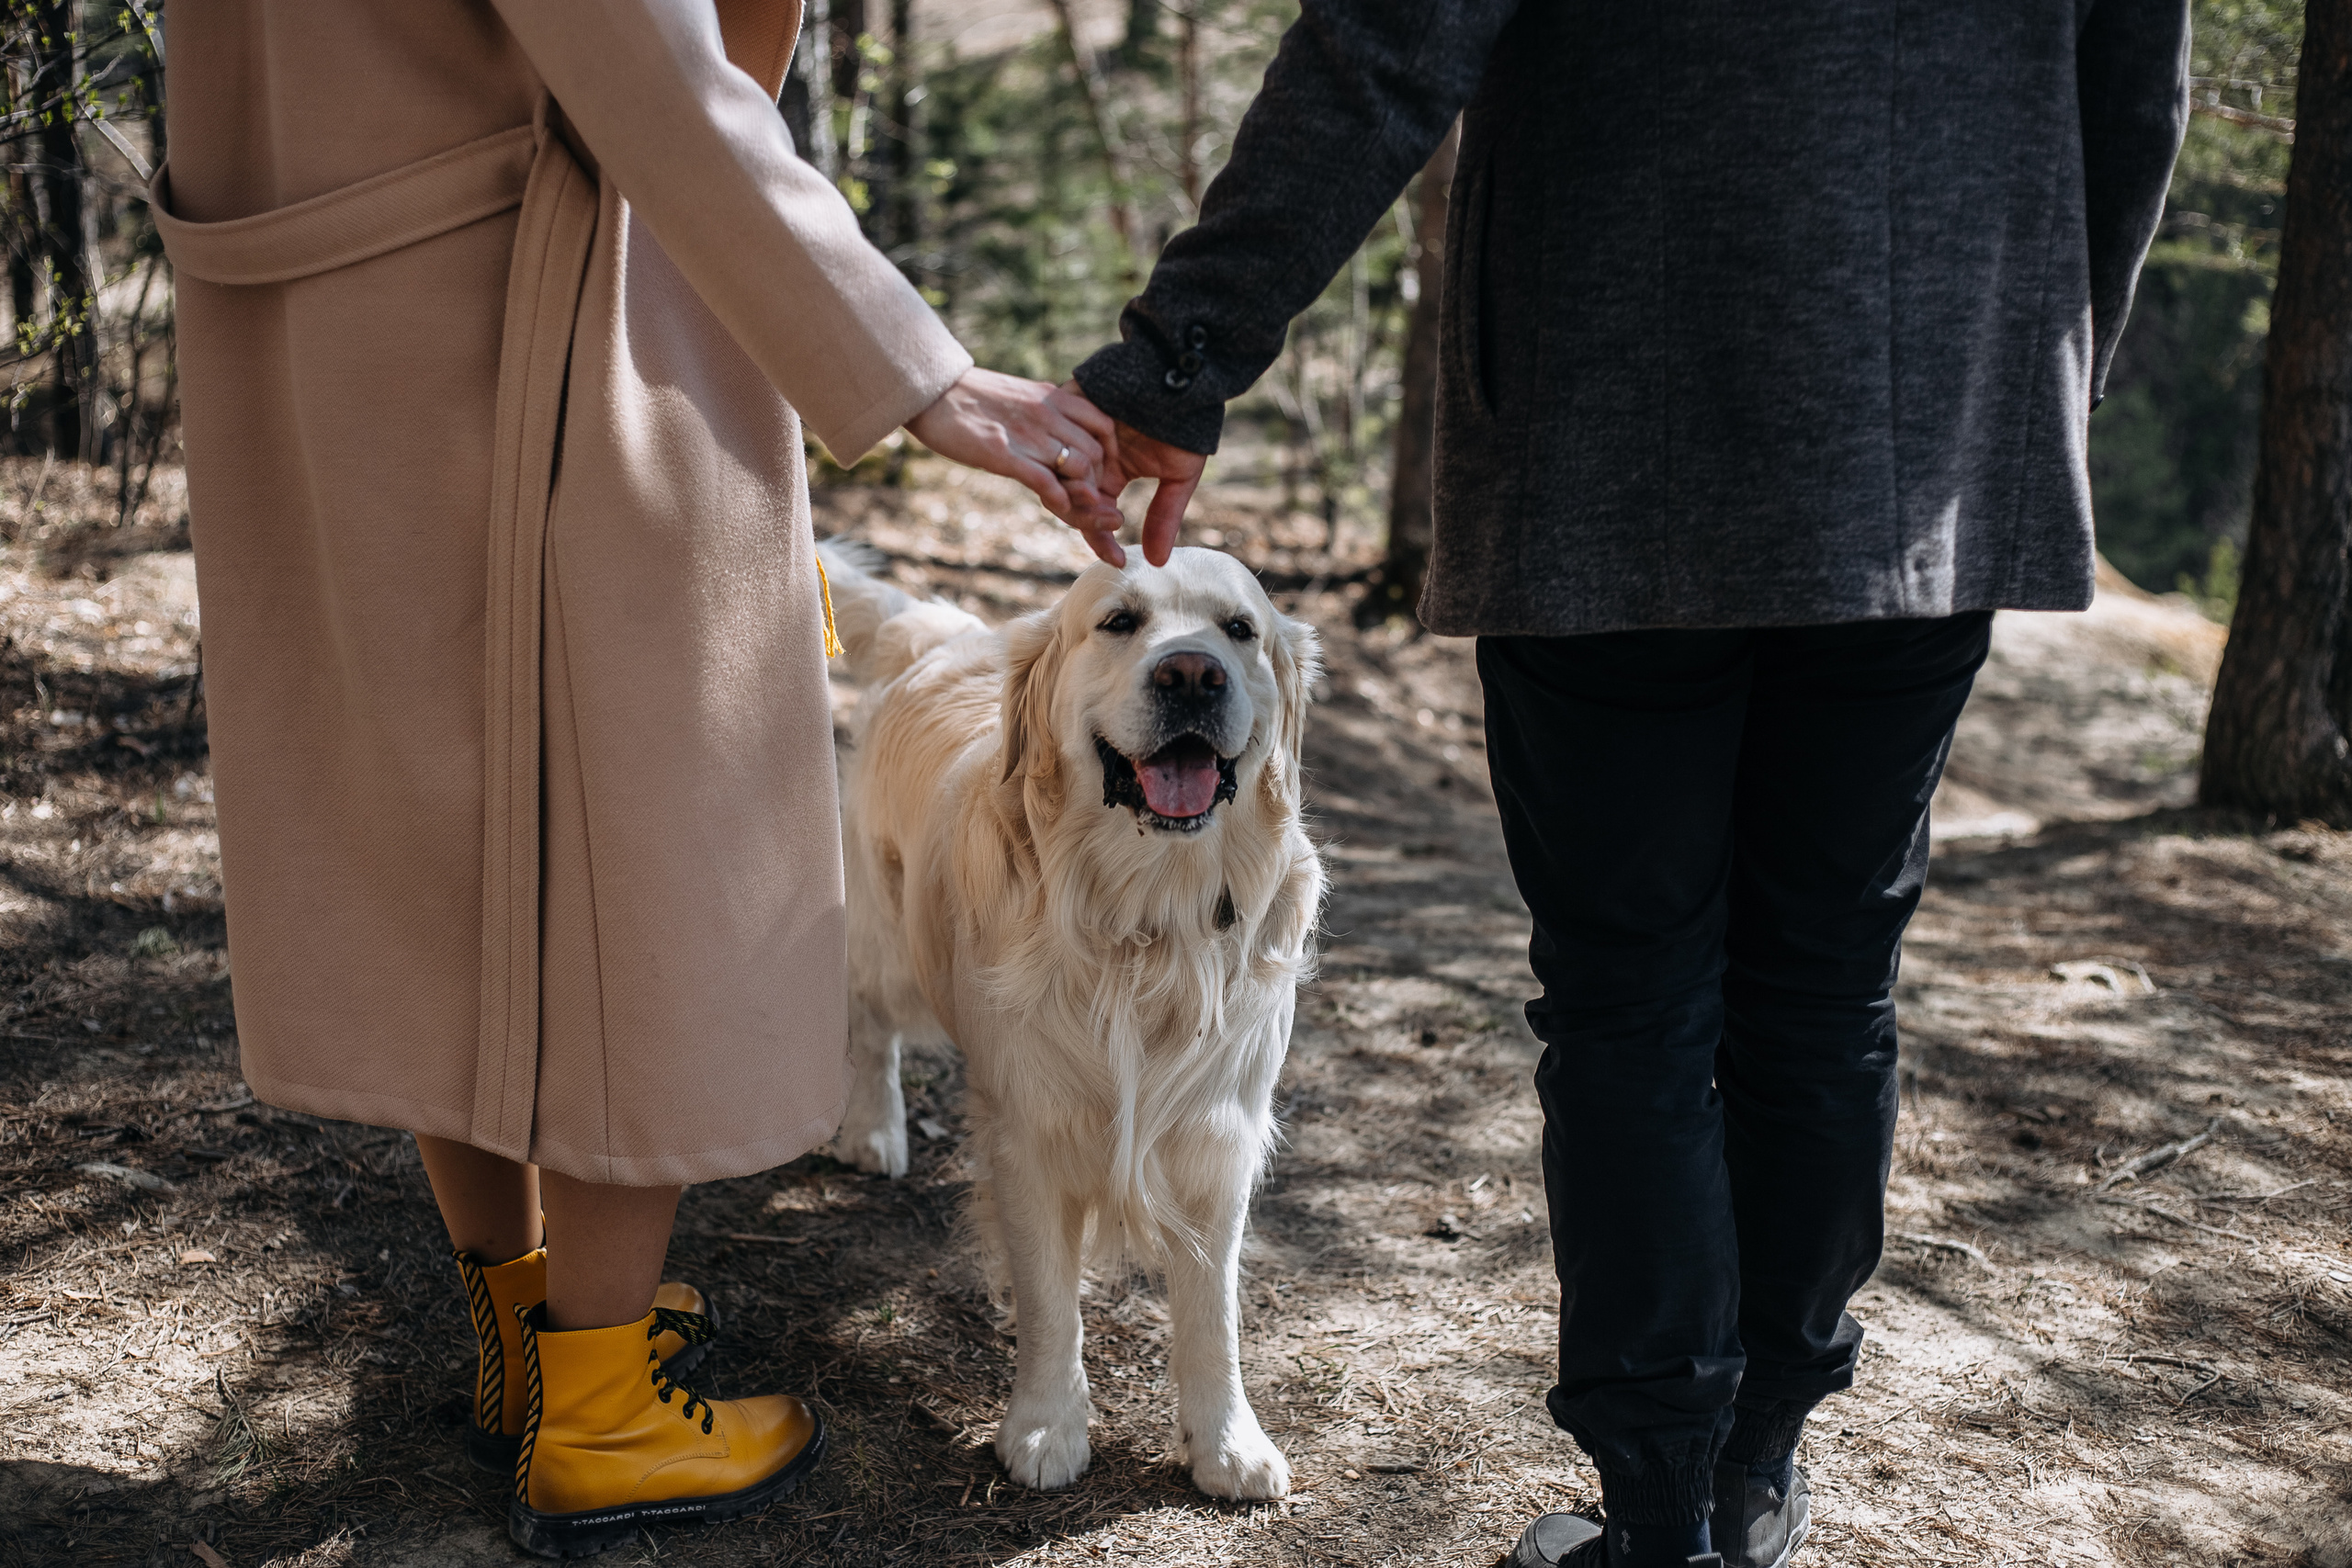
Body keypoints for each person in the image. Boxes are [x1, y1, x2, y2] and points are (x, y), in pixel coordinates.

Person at [1059, 4, 2189, 1563]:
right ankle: (1752, 1470)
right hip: (1925, 427)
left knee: (1635, 1004)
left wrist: (1183, 357)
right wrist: (2036, 380)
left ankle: (1663, 1515)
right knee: (1817, 982)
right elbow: (2134, 77)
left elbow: (1385, 46)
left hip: (1608, 438)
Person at [155, 1, 1122, 1558]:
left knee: (445, 822)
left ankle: (526, 1324)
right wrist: (915, 370)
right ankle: (599, 1402)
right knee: (635, 828)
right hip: (543, 301)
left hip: (329, 278)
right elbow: (642, 54)